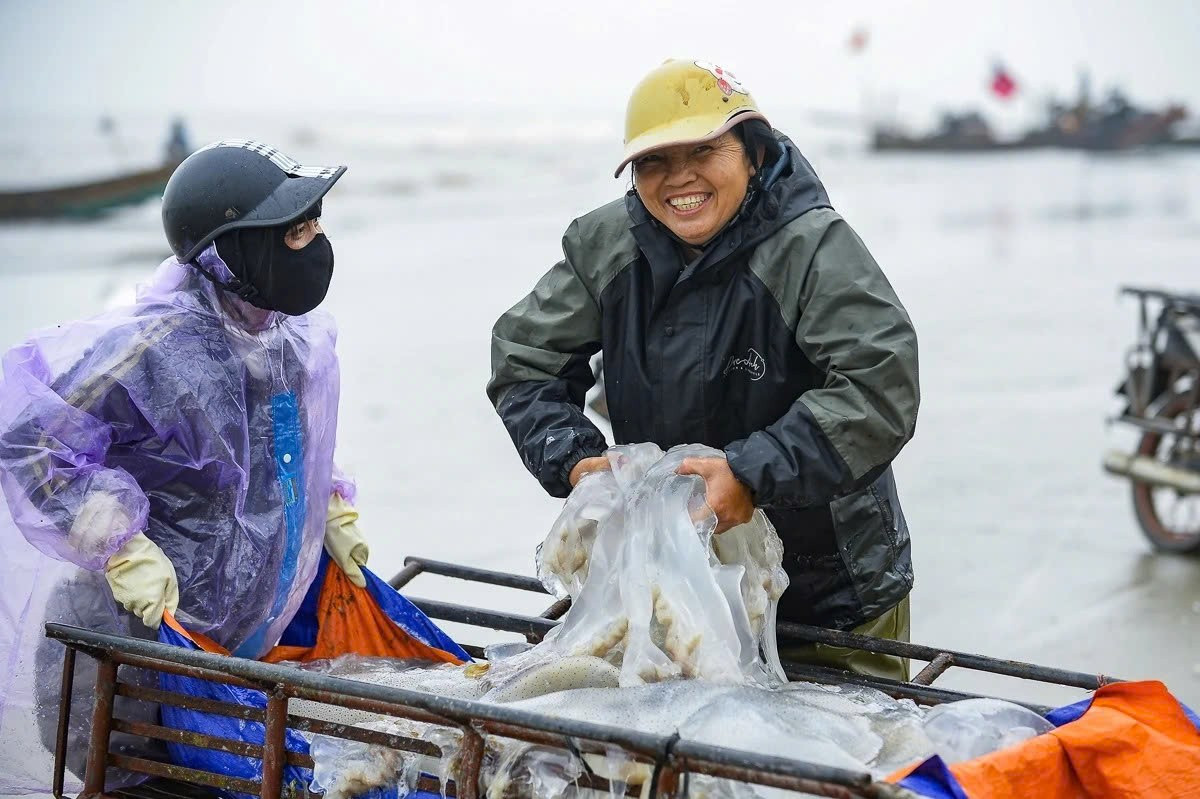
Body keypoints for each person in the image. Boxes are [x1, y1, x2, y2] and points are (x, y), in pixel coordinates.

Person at [488, 60, 919, 681]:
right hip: (678, 582)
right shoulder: (607, 246)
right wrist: (573, 458)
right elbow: (524, 358)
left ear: (751, 150)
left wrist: (751, 472)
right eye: (653, 161)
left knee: (839, 765)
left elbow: (880, 385)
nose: (678, 178)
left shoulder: (813, 247)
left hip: (832, 593)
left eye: (704, 150)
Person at [0, 140, 368, 790]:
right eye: (296, 230)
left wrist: (327, 502)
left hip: (224, 657)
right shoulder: (158, 348)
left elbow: (286, 451)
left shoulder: (285, 339)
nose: (315, 244)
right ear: (234, 248)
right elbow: (34, 440)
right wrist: (115, 541)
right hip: (122, 667)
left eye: (316, 224)